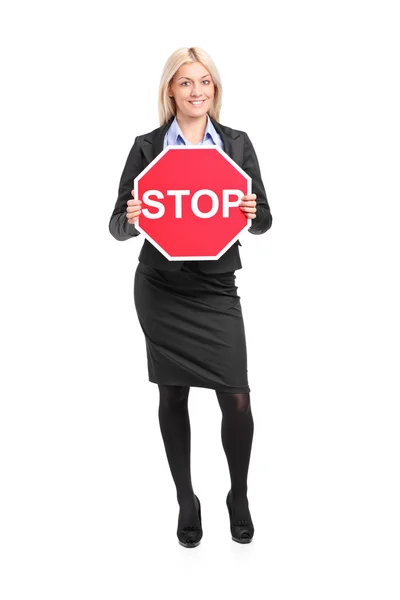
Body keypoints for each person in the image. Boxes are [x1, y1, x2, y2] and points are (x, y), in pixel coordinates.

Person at [109, 47, 273, 548]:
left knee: (237, 401)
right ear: (170, 91)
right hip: (161, 288)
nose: (197, 90)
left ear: (214, 90)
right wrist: (132, 219)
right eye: (186, 82)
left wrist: (251, 211)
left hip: (216, 288)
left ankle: (238, 496)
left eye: (205, 82)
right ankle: (186, 499)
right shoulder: (147, 147)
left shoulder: (238, 144)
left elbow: (264, 219)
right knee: (172, 394)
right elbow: (116, 226)